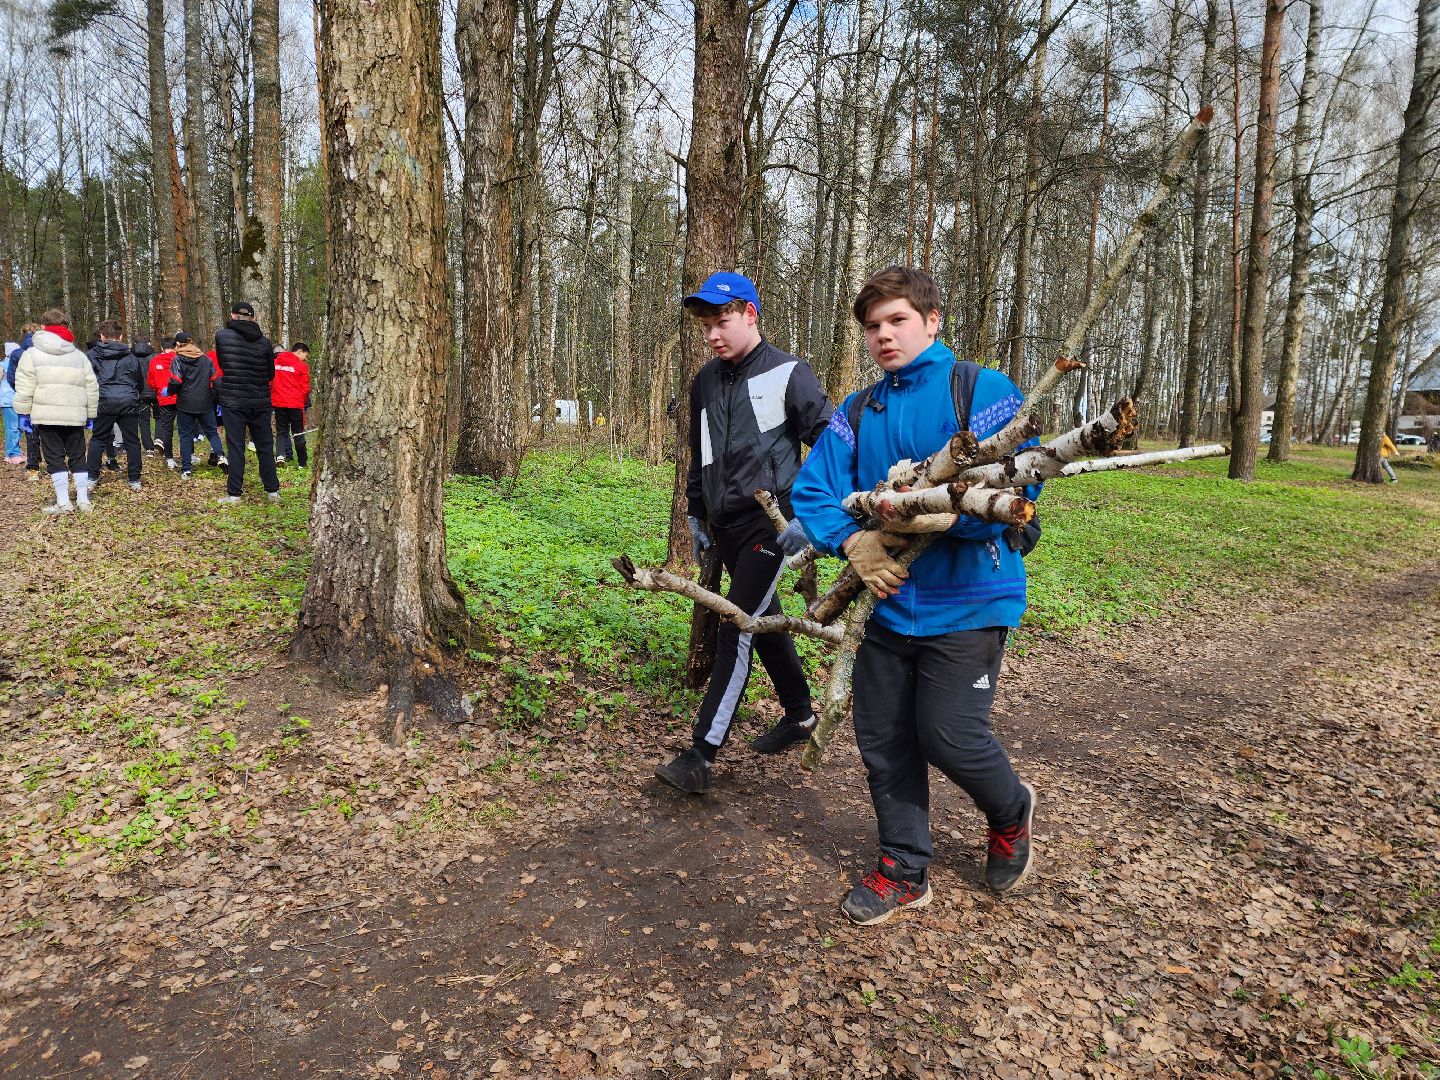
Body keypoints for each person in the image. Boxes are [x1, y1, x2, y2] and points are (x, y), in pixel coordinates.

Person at [791, 266, 1041, 926]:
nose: (883, 335)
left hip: (971, 598)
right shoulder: (855, 411)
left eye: (897, 320)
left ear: (932, 321)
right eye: (872, 326)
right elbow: (813, 489)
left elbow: (1022, 480)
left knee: (950, 735)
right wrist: (856, 543)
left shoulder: (980, 392)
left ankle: (1011, 810)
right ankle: (904, 868)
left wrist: (936, 517)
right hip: (887, 604)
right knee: (885, 741)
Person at [654, 271, 833, 795]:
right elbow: (699, 450)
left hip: (772, 524)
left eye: (722, 321)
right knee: (763, 615)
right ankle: (801, 715)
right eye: (706, 325)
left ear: (751, 314)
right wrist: (696, 512)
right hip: (724, 523)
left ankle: (700, 755)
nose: (712, 334)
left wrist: (810, 513)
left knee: (737, 624)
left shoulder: (789, 373)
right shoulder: (705, 381)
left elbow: (831, 443)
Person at [13, 308, 99, 513]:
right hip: (75, 414)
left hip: (46, 415)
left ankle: (63, 502)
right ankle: (83, 500)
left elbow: (25, 387)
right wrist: (91, 413)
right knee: (78, 455)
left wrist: (23, 412)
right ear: (66, 328)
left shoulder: (31, 354)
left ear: (43, 328)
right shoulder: (79, 356)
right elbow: (92, 386)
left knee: (54, 457)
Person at [212, 300, 278, 503]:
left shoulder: (222, 337)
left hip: (234, 400)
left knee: (235, 446)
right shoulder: (265, 343)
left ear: (232, 316)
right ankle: (272, 491)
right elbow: (270, 373)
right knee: (265, 446)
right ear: (254, 318)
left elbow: (223, 364)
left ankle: (234, 494)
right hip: (260, 400)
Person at [86, 319, 145, 492]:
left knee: (98, 438)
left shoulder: (92, 355)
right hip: (127, 400)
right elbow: (139, 381)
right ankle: (134, 479)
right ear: (120, 336)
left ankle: (92, 476)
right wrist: (135, 395)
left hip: (104, 400)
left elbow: (87, 380)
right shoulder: (131, 356)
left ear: (102, 336)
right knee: (132, 439)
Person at [167, 333, 226, 477]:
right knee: (212, 432)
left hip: (185, 403)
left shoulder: (177, 359)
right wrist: (220, 398)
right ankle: (221, 456)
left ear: (178, 345)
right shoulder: (205, 359)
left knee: (186, 436)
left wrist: (169, 391)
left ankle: (186, 469)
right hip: (205, 402)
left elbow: (175, 381)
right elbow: (216, 380)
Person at [9, 323, 45, 477]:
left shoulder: (17, 353)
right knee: (49, 430)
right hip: (45, 394)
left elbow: (11, 377)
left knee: (31, 431)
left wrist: (20, 390)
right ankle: (55, 465)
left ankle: (33, 467)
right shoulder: (46, 351)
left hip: (27, 395)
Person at [272, 342, 312, 468]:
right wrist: (303, 400)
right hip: (295, 403)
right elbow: (305, 387)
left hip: (278, 402)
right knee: (298, 432)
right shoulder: (302, 366)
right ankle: (302, 463)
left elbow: (270, 380)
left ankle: (279, 456)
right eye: (305, 355)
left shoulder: (276, 362)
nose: (305, 359)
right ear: (299, 351)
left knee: (281, 431)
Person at [148, 335, 180, 468]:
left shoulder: (155, 361)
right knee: (185, 428)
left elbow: (151, 382)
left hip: (164, 399)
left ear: (162, 347)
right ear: (175, 347)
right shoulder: (180, 359)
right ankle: (188, 455)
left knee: (167, 430)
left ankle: (169, 458)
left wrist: (160, 390)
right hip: (181, 397)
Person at [132, 338, 156, 450]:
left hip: (140, 392)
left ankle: (149, 447)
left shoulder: (130, 357)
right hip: (154, 390)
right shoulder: (155, 357)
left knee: (143, 420)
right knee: (160, 418)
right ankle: (160, 440)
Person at [1, 341, 20, 464]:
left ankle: (13, 452)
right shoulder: (3, 365)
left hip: (15, 399)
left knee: (15, 427)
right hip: (8, 400)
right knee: (13, 427)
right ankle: (12, 453)